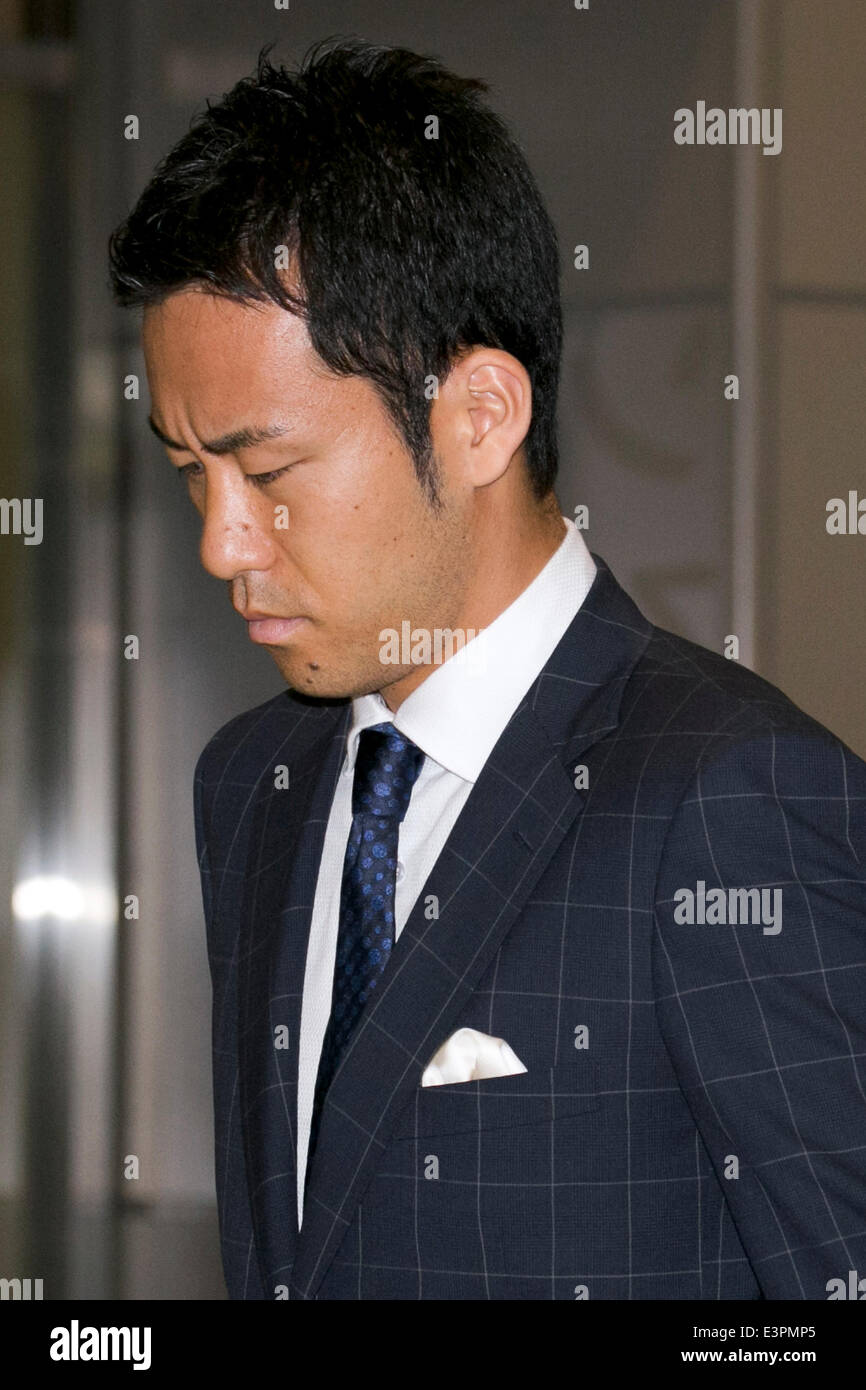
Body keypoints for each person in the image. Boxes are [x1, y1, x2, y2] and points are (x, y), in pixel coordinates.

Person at [109, 37, 866, 1301]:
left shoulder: (729, 797)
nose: (220, 541)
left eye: (269, 472)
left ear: (478, 417)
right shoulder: (251, 783)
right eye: (192, 473)